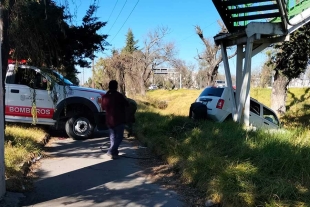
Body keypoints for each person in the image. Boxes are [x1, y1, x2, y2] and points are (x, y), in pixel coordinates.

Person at [101, 80, 129, 159]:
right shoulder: (119, 96)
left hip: (109, 121)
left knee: (112, 137)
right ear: (116, 87)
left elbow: (103, 108)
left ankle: (114, 153)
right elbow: (127, 104)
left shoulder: (105, 97)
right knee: (119, 137)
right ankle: (111, 151)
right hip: (119, 119)